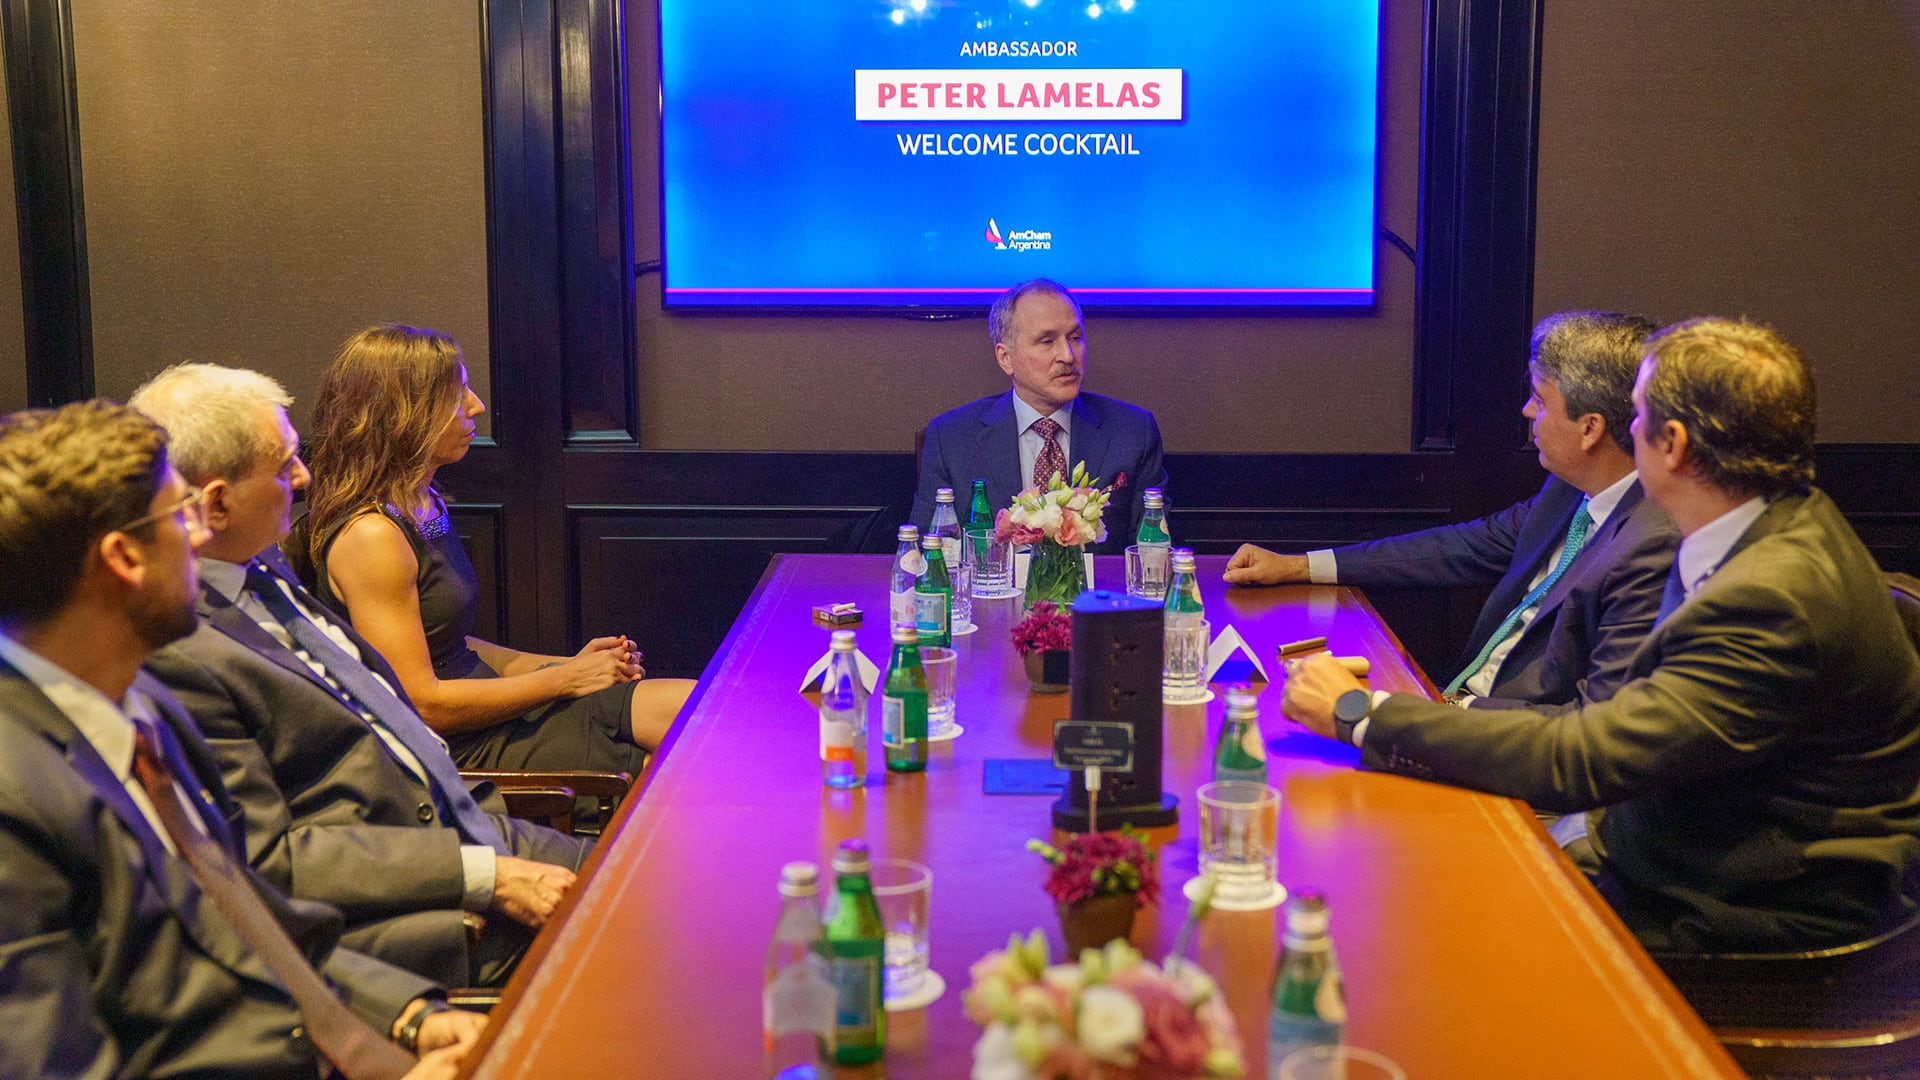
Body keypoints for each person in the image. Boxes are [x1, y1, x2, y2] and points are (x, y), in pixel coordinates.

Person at [1281, 317, 1920, 953]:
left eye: (1636, 416)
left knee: (1384, 910)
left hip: (1737, 904)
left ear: (1672, 444)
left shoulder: (1768, 596)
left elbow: (1589, 758)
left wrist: (1360, 712)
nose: (1624, 429)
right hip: (1672, 843)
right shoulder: (1776, 518)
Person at [0, 400, 482, 1079]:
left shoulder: (145, 707)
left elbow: (252, 917)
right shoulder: (15, 795)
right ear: (123, 559)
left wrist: (410, 1017)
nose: (200, 536)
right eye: (180, 516)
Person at [131, 363, 588, 989]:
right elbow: (269, 859)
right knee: (654, 943)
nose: (303, 477)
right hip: (411, 909)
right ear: (216, 503)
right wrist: (483, 876)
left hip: (468, 826)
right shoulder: (178, 650)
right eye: (284, 465)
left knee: (681, 878)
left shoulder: (259, 566)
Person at [1228, 311, 1679, 711]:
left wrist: (1403, 713)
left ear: (1590, 428)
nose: (1527, 411)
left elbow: (1590, 724)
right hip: (1451, 707)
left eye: (1540, 401)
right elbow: (1463, 546)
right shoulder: (1568, 489)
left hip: (1509, 749)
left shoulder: (1651, 543)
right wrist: (1299, 566)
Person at [299, 324, 691, 773]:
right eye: (457, 395)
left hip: (494, 710)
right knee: (683, 768)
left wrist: (569, 666)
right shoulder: (372, 535)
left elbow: (453, 647)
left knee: (702, 715)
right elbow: (421, 704)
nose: (476, 406)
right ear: (403, 414)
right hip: (455, 745)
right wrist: (565, 680)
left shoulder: (422, 503)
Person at [910, 279, 1167, 551]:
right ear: (1005, 358)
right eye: (1047, 341)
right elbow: (928, 552)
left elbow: (1153, 554)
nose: (1068, 356)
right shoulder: (951, 438)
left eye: (1075, 338)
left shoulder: (1133, 433)